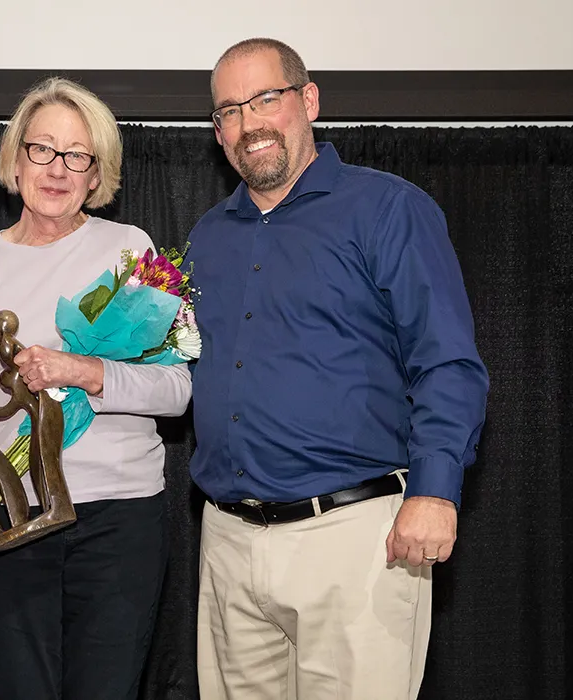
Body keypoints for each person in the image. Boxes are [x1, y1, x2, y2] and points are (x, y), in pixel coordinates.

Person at [186, 38, 490, 700]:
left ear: (309, 100)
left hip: (356, 539)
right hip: (228, 544)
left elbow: (447, 361)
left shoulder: (387, 209)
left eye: (267, 98)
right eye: (230, 110)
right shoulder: (207, 237)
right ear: (217, 130)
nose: (249, 123)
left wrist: (435, 490)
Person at [0, 77, 192, 700]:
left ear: (97, 174)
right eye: (43, 149)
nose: (57, 168)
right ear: (15, 159)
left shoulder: (132, 250)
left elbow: (177, 392)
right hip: (11, 514)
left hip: (120, 519)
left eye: (78, 155)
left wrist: (81, 372)